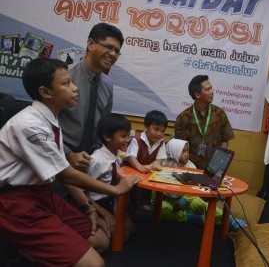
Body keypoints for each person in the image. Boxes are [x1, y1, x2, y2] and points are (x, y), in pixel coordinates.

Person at [0, 58, 140, 266]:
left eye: (72, 82)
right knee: (96, 264)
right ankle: (25, 248)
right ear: (46, 92)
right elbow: (65, 173)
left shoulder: (51, 119)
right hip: (17, 202)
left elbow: (59, 170)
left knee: (101, 241)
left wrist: (88, 207)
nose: (75, 89)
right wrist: (116, 190)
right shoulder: (29, 124)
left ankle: (32, 251)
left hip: (44, 194)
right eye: (66, 84)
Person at [59, 22, 124, 171]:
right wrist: (68, 154)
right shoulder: (64, 75)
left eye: (117, 51)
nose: (113, 54)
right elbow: (44, 125)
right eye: (108, 47)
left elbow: (104, 127)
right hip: (59, 159)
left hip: (91, 163)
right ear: (91, 44)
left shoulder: (107, 84)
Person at [159, 138, 246, 231]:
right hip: (168, 201)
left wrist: (183, 202)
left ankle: (231, 220)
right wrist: (153, 204)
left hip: (187, 199)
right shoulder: (163, 165)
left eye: (187, 151)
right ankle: (191, 217)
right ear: (173, 152)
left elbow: (194, 188)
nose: (186, 154)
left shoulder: (191, 166)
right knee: (161, 210)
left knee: (205, 206)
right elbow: (157, 187)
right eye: (182, 152)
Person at [86, 113, 135, 241]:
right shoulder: (97, 160)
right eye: (123, 136)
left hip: (112, 201)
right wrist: (103, 213)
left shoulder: (119, 155)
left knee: (131, 229)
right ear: (107, 136)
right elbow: (84, 192)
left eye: (128, 135)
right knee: (121, 236)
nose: (127, 140)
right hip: (97, 203)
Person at [175, 75, 235, 169]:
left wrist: (218, 163)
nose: (212, 92)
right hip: (189, 167)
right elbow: (179, 146)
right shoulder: (184, 117)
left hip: (213, 167)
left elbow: (225, 139)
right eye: (207, 90)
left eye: (211, 88)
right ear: (197, 94)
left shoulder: (220, 114)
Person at [126, 110, 167, 211]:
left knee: (145, 198)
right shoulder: (137, 140)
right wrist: (140, 167)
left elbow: (160, 158)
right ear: (147, 126)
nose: (159, 134)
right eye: (156, 129)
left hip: (147, 176)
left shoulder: (161, 142)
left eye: (162, 131)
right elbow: (131, 157)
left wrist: (157, 163)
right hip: (133, 173)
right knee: (130, 198)